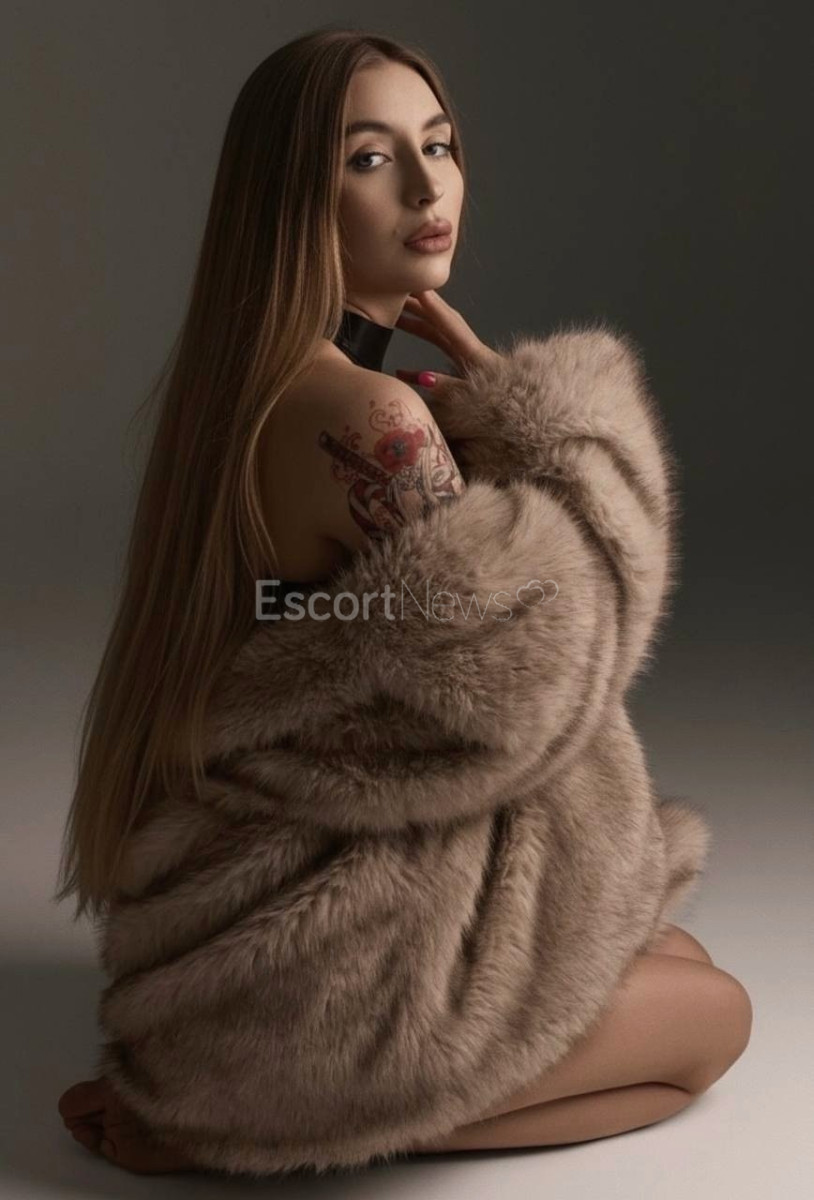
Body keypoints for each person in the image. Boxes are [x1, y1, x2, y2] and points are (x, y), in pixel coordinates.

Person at [55, 29, 752, 1176]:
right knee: (716, 1020)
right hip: (326, 959)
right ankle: (244, 1130)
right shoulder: (368, 417)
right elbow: (534, 680)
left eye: (439, 145)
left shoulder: (267, 375)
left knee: (672, 956)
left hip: (282, 904)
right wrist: (547, 420)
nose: (429, 190)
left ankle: (260, 1100)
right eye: (371, 159)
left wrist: (472, 388)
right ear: (293, 199)